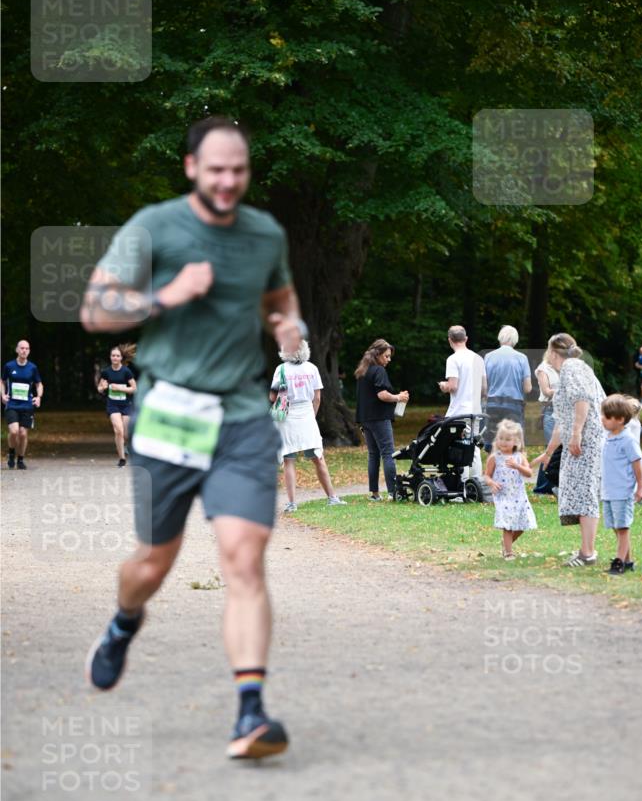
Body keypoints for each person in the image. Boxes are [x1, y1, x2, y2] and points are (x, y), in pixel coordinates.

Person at [80, 115, 306, 760]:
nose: (229, 182)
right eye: (216, 171)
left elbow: (281, 302)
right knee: (153, 564)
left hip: (239, 416)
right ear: (191, 169)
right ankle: (124, 622)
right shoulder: (155, 225)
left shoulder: (265, 233)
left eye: (239, 170)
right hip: (169, 413)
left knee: (243, 559)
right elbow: (95, 309)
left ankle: (250, 713)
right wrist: (166, 293)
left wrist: (289, 330)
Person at [532, 333, 606, 568]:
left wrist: (576, 434)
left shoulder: (572, 367)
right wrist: (549, 452)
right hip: (579, 439)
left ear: (553, 352)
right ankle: (585, 549)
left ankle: (588, 553)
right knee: (577, 491)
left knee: (585, 493)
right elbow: (562, 418)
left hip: (585, 440)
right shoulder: (571, 369)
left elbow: (582, 400)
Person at [269, 339, 346, 513]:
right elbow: (317, 398)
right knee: (318, 458)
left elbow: (273, 397)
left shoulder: (281, 370)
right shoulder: (312, 368)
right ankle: (332, 497)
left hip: (286, 417)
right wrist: (312, 416)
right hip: (307, 415)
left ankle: (292, 503)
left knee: (289, 460)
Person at [355, 339, 409, 501]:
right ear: (377, 355)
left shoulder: (363, 371)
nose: (389, 360)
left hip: (365, 418)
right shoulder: (378, 371)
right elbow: (382, 395)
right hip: (379, 418)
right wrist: (398, 397)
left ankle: (375, 493)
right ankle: (393, 493)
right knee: (388, 454)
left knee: (373, 455)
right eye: (386, 356)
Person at [600, 394, 642, 575]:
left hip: (622, 491)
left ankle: (618, 563)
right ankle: (627, 561)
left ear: (620, 420)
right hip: (608, 491)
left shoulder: (628, 439)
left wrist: (641, 487)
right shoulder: (608, 437)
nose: (602, 419)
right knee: (616, 527)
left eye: (606, 416)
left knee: (623, 528)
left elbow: (637, 463)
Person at [437, 325, 486, 478]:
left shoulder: (453, 359)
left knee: (460, 446)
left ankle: (462, 484)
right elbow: (484, 388)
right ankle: (476, 483)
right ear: (466, 339)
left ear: (450, 340)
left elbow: (453, 386)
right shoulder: (478, 358)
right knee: (474, 446)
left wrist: (443, 386)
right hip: (475, 410)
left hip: (459, 411)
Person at [484, 419, 537, 560]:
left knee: (524, 524)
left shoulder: (519, 457)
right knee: (507, 525)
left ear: (516, 441)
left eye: (507, 439)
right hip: (503, 496)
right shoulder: (494, 458)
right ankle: (508, 552)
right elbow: (487, 475)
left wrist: (517, 466)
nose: (503, 442)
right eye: (501, 438)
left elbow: (529, 473)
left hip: (518, 495)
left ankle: (506, 544)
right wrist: (492, 483)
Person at [483, 325, 531, 450]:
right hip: (514, 405)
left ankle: (491, 468)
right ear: (515, 339)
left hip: (492, 404)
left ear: (500, 338)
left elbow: (484, 386)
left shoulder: (488, 357)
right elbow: (527, 388)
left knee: (493, 443)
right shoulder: (522, 358)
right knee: (514, 443)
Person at [1, 339, 43, 470]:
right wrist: (2, 395)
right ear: (17, 350)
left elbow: (39, 384)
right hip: (12, 404)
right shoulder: (9, 366)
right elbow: (1, 381)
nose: (24, 350)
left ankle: (20, 459)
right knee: (14, 432)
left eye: (27, 348)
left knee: (23, 433)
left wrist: (39, 397)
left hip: (26, 406)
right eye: (22, 348)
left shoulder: (32, 368)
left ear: (29, 351)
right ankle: (12, 453)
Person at [98, 344, 137, 467]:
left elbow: (134, 388)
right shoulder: (106, 372)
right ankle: (122, 458)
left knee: (126, 433)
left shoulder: (126, 371)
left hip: (126, 404)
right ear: (110, 357)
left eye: (117, 356)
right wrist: (102, 388)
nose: (115, 358)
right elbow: (100, 387)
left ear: (121, 358)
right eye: (113, 355)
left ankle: (126, 446)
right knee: (118, 430)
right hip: (112, 404)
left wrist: (120, 388)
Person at [533, 350, 560, 495]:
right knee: (552, 448)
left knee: (555, 449)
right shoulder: (543, 369)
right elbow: (546, 391)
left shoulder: (561, 367)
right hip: (550, 410)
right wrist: (564, 390)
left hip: (561, 410)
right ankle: (545, 486)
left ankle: (545, 485)